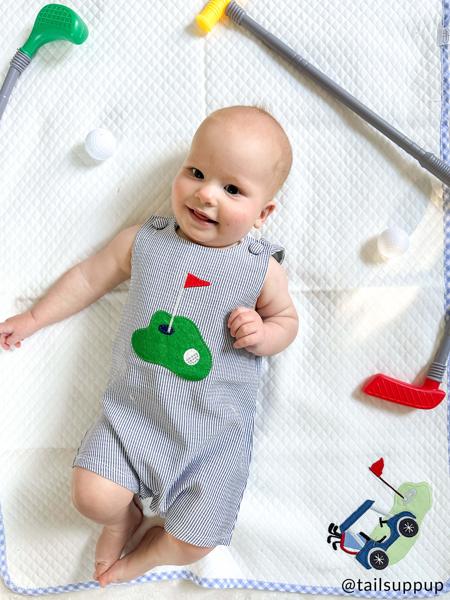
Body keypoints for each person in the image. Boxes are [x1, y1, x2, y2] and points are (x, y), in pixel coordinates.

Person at [0, 105, 298, 586]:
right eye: (196, 173)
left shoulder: (260, 268)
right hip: (132, 420)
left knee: (197, 540)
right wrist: (34, 318)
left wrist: (264, 334)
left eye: (232, 189)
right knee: (91, 496)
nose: (206, 193)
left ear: (263, 214)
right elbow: (89, 277)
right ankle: (122, 520)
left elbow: (286, 321)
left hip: (214, 438)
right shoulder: (145, 241)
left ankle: (145, 557)